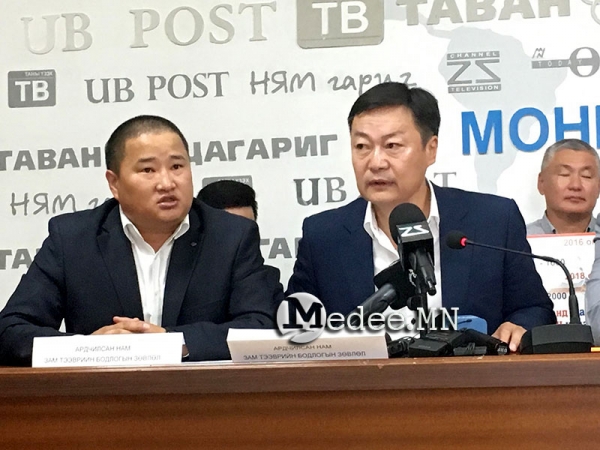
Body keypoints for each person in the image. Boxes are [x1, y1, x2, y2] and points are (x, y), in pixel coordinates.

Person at [286, 82, 556, 351]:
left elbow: (534, 309)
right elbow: (294, 332)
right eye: (362, 146)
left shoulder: (492, 220)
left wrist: (518, 326)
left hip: (469, 377)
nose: (376, 162)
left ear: (431, 149)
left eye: (392, 145)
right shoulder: (324, 235)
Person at [0, 115, 281, 365]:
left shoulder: (231, 236)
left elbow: (261, 327)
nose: (167, 183)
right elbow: (10, 331)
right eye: (148, 170)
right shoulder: (73, 239)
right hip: (103, 399)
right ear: (114, 183)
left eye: (177, 166)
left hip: (201, 398)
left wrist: (171, 341)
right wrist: (88, 348)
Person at [197, 179, 283, 293]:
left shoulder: (268, 283)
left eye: (247, 230)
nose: (241, 238)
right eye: (230, 230)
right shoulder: (181, 281)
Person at [527, 139, 600, 235]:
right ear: (541, 182)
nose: (575, 185)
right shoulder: (519, 239)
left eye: (586, 176)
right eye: (564, 174)